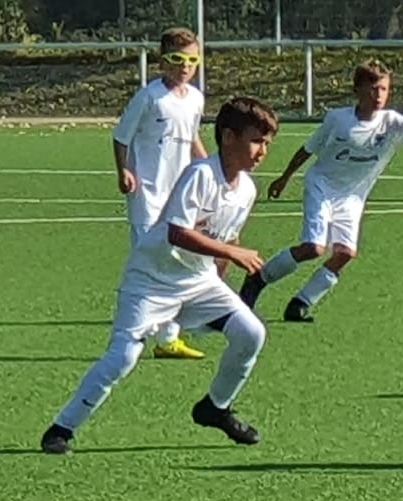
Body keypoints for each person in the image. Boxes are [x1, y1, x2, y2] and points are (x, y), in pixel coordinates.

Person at [41, 98, 278, 456]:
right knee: (123, 358)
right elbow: (177, 232)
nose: (263, 151)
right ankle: (61, 429)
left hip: (199, 282)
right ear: (229, 137)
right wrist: (232, 252)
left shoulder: (247, 189)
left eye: (267, 143)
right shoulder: (201, 174)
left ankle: (215, 407)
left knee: (251, 333)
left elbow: (226, 239)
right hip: (151, 280)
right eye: (256, 141)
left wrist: (222, 274)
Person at [239, 61, 403, 324]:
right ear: (357, 90)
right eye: (372, 89)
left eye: (384, 89)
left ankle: (301, 303)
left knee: (345, 254)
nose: (378, 95)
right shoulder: (338, 119)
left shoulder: (390, 121)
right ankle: (259, 278)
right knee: (314, 248)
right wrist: (285, 177)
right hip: (321, 186)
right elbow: (309, 149)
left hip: (352, 196)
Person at [112, 26, 210, 360]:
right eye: (178, 59)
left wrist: (209, 168)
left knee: (174, 262)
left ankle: (167, 339)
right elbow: (121, 137)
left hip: (177, 193)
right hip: (146, 194)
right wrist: (124, 170)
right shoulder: (149, 97)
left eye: (192, 61)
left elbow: (192, 137)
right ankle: (133, 332)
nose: (185, 67)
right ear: (163, 61)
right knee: (148, 264)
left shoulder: (195, 99)